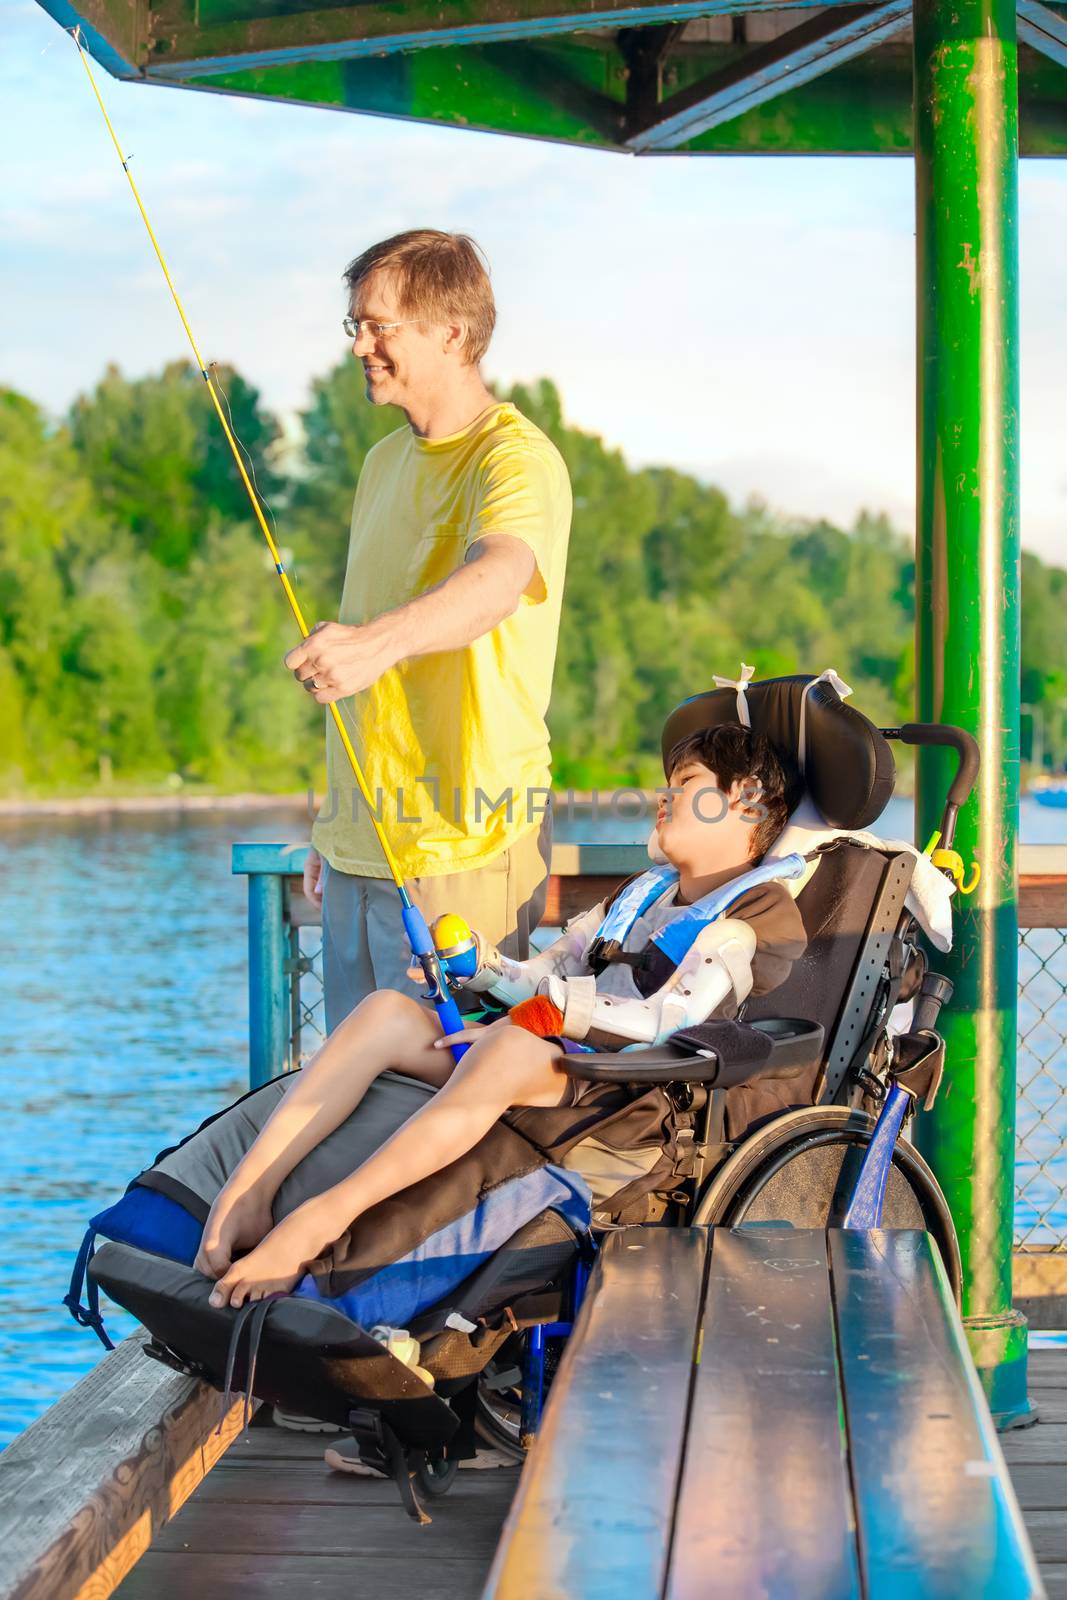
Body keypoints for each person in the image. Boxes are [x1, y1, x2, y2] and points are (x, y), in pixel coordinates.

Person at [197, 725, 807, 1309]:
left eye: (687, 782)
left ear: (748, 804)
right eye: (667, 782)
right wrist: (479, 966)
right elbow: (551, 967)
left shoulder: (751, 917)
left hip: (639, 1098)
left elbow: (664, 1023)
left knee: (508, 1048)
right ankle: (245, 1194)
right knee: (386, 1012)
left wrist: (541, 1017)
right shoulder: (642, 893)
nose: (664, 796)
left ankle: (318, 1222)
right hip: (556, 1062)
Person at [289, 230, 572, 1034]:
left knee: (448, 1103)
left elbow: (499, 578)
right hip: (357, 844)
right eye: (355, 327)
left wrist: (372, 642)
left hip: (466, 845)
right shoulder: (381, 462)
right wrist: (333, 821)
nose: (361, 347)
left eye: (379, 326)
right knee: (354, 1090)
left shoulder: (514, 459)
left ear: (451, 332)